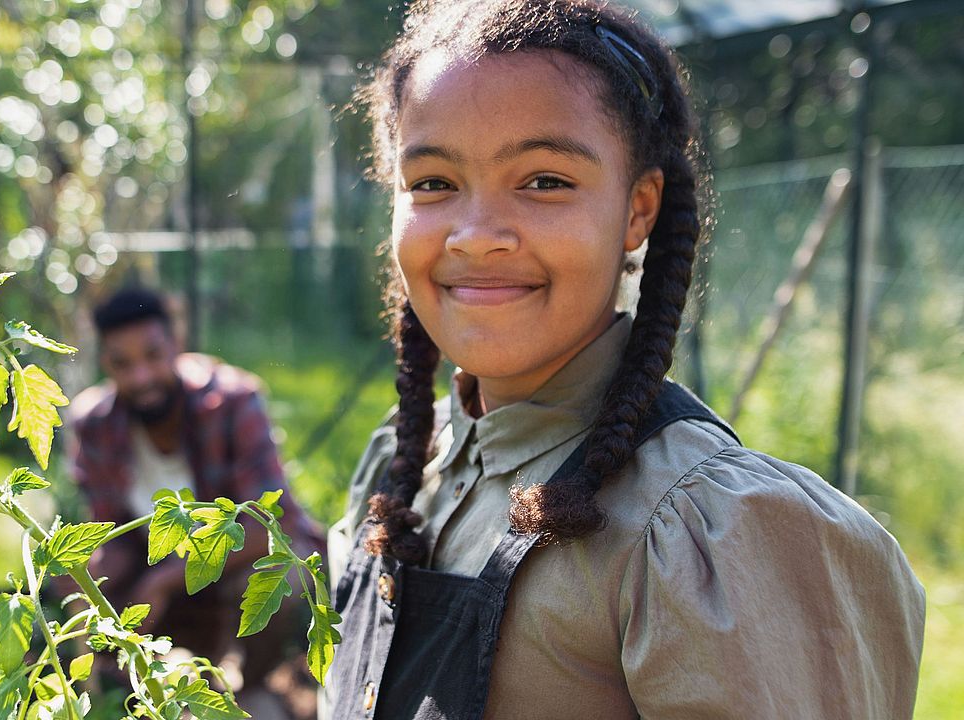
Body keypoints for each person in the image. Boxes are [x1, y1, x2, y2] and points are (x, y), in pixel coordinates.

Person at [323, 2, 926, 719]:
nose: (476, 236)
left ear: (639, 208)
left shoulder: (709, 531)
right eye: (432, 184)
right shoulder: (401, 465)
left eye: (544, 180)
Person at [65, 287, 321, 718]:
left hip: (227, 570)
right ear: (104, 364)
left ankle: (250, 684)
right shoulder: (96, 423)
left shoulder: (231, 401)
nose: (141, 377)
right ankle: (129, 690)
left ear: (176, 346)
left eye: (152, 355)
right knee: (84, 583)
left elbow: (269, 526)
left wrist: (163, 581)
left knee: (283, 573)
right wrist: (88, 588)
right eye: (122, 364)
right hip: (163, 578)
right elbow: (107, 529)